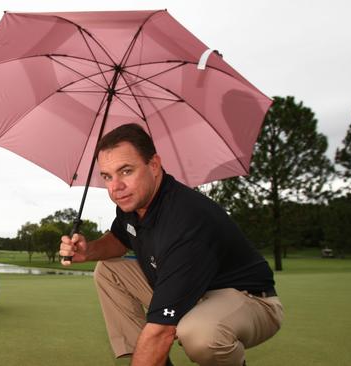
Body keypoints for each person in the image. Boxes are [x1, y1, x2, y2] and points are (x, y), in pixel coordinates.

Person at [60, 123, 283, 366]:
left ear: (154, 165)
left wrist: (159, 332)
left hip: (247, 299)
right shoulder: (132, 204)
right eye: (107, 176)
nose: (115, 187)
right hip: (192, 292)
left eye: (126, 171)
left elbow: (161, 331)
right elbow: (119, 239)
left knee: (199, 334)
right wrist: (88, 250)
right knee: (108, 271)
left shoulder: (185, 219)